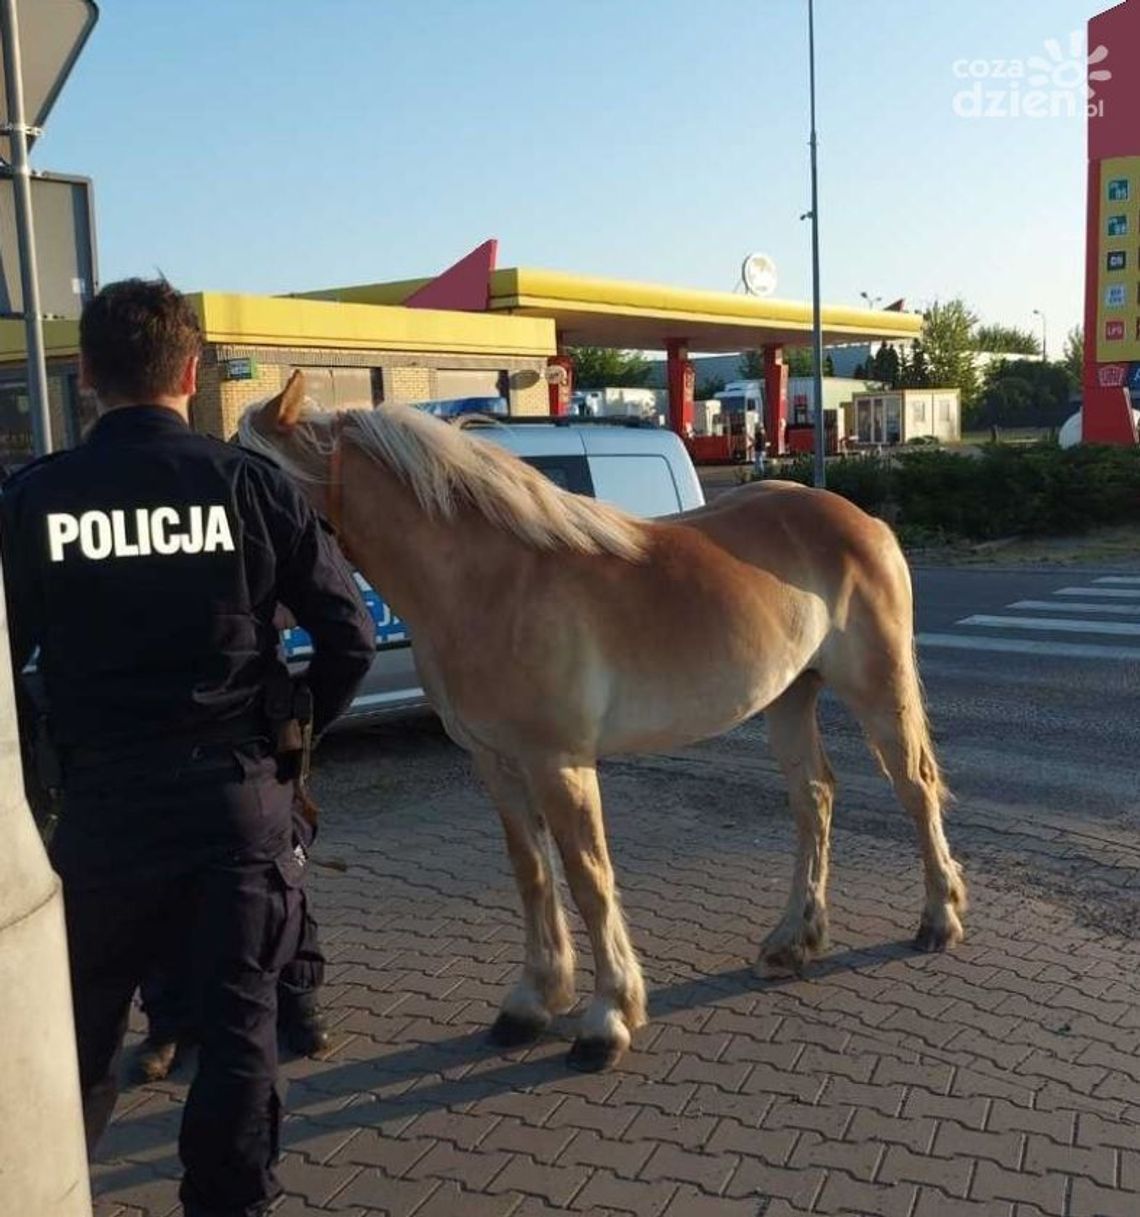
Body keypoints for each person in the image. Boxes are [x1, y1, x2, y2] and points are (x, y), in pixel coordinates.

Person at [0, 279, 375, 1217]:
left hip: (97, 824)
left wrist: (36, 759)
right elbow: (351, 636)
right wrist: (293, 740)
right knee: (242, 1038)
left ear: (86, 374)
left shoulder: (34, 499)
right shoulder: (250, 488)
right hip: (234, 813)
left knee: (76, 1043)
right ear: (193, 370)